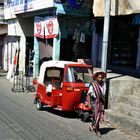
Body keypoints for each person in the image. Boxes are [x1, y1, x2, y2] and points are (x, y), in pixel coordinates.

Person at [87, 71, 106, 137]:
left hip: (100, 101)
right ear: (96, 78)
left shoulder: (104, 84)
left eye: (101, 77)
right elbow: (88, 95)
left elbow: (103, 93)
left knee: (98, 115)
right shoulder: (93, 84)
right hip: (94, 101)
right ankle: (97, 130)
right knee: (96, 114)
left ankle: (92, 125)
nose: (100, 79)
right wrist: (89, 103)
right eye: (99, 77)